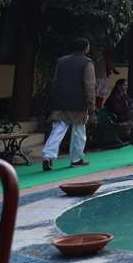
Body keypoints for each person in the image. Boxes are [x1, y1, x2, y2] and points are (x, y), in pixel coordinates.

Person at [41, 38, 96, 171]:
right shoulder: (87, 63)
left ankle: (48, 156)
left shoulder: (61, 61)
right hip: (79, 101)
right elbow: (89, 85)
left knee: (58, 129)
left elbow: (55, 81)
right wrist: (91, 105)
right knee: (79, 131)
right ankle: (76, 159)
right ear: (85, 48)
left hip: (61, 100)